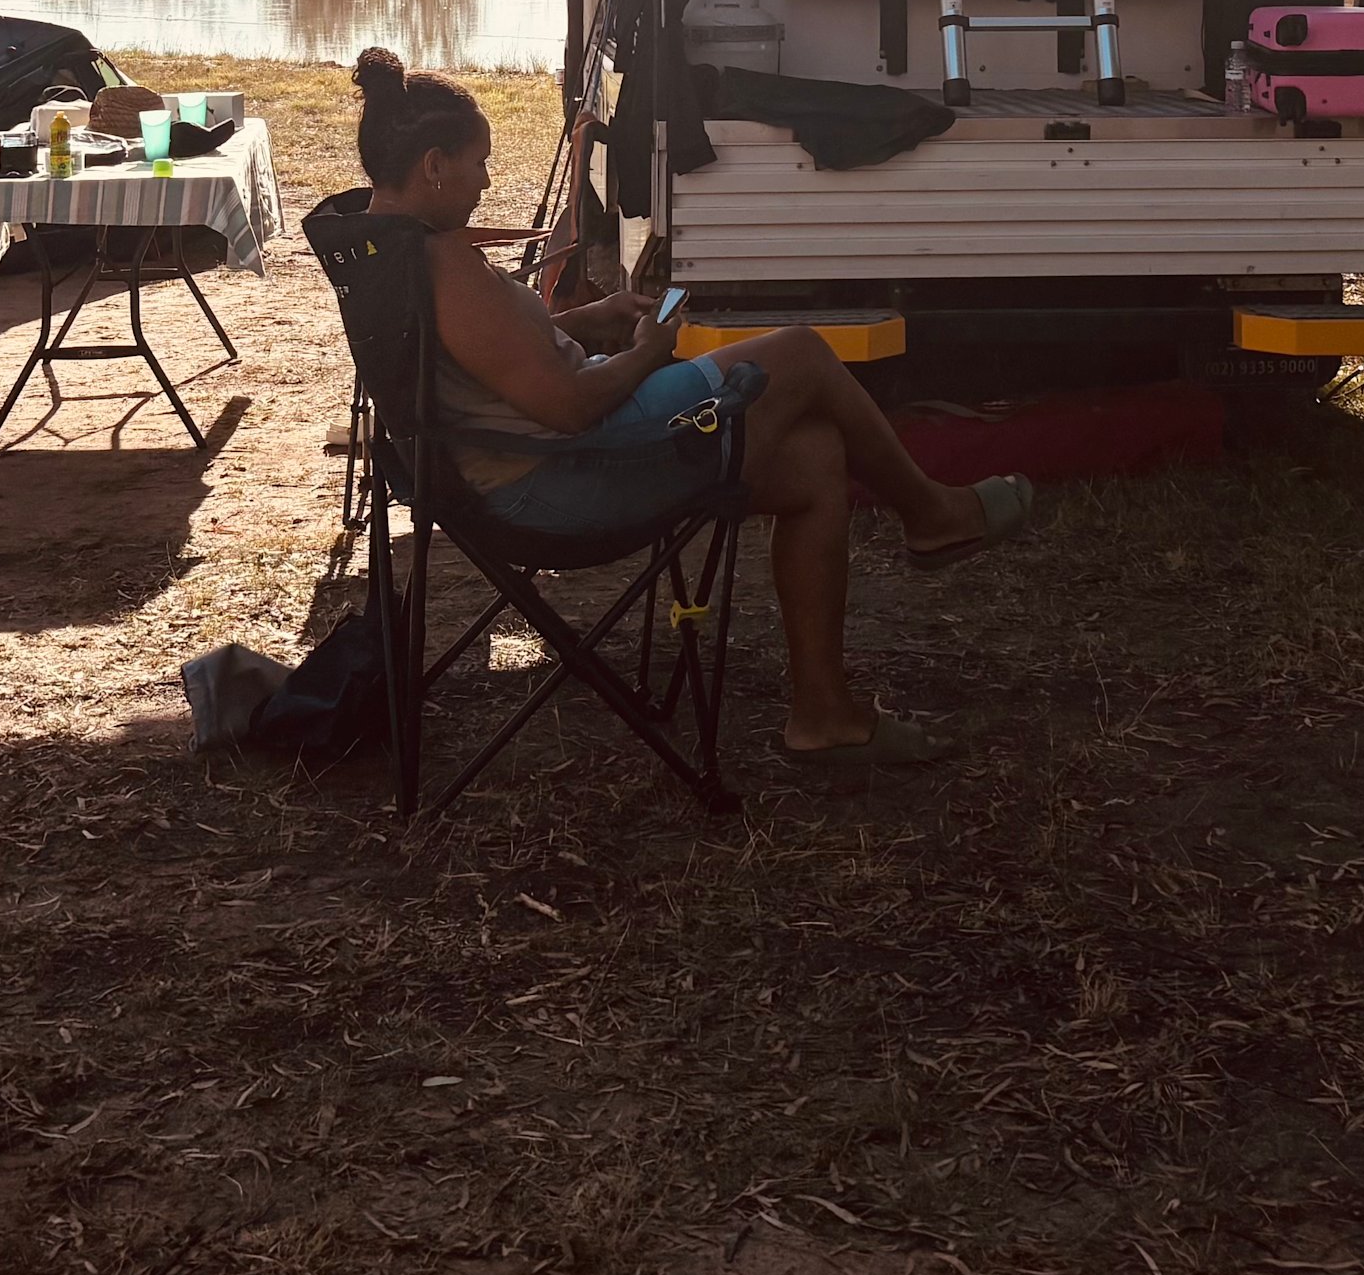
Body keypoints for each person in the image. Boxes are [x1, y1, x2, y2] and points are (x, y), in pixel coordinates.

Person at [348, 45, 1027, 770]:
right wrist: (649, 347)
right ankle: (930, 513)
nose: (484, 182)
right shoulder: (445, 266)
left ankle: (824, 717)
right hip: (560, 480)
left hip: (518, 466)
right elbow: (572, 408)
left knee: (814, 459)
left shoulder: (383, 245)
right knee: (798, 351)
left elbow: (476, 358)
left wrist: (584, 320)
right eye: (477, 163)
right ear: (433, 165)